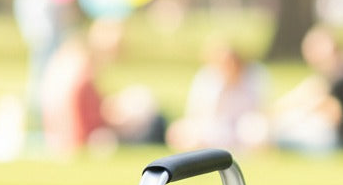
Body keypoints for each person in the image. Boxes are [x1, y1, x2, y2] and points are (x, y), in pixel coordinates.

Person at [40, 22, 166, 155]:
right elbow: (79, 114)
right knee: (149, 116)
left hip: (61, 134)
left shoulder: (71, 59)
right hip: (77, 136)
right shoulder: (82, 69)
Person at [271, 26, 343, 152]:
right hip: (339, 139)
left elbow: (329, 111)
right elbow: (306, 93)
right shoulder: (340, 75)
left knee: (282, 138)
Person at [167, 41, 269, 151]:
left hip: (244, 127)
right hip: (215, 128)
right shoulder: (207, 77)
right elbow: (198, 113)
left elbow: (258, 110)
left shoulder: (253, 76)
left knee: (257, 130)